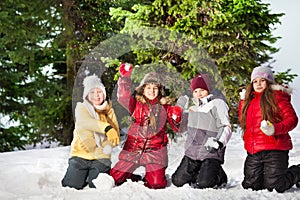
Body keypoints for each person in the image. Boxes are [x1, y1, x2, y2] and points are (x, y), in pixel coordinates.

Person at [110, 63, 182, 189]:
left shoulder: (165, 107)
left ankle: (153, 174)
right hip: (134, 148)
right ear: (142, 89)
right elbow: (122, 96)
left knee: (157, 184)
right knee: (115, 178)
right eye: (148, 88)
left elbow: (177, 127)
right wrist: (125, 78)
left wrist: (177, 117)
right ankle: (131, 176)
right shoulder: (135, 104)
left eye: (155, 88)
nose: (152, 91)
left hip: (154, 151)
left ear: (159, 90)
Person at [238, 66, 300, 193]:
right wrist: (243, 101)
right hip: (254, 150)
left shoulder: (277, 96)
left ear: (269, 82)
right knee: (250, 186)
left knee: (276, 186)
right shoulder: (248, 100)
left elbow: (292, 119)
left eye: (262, 80)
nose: (258, 84)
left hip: (275, 149)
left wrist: (275, 129)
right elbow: (244, 121)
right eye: (255, 81)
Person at [171, 74, 232, 189]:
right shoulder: (193, 108)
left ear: (209, 90)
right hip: (192, 152)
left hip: (210, 151)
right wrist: (177, 118)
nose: (198, 94)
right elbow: (181, 129)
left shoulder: (217, 104)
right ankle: (200, 170)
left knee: (204, 183)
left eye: (202, 90)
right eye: (195, 91)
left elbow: (226, 126)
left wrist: (219, 142)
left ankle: (219, 175)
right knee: (177, 181)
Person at [61, 74, 120, 189]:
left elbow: (115, 137)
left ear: (104, 93)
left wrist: (107, 146)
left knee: (97, 185)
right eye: (92, 92)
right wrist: (107, 128)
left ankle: (101, 174)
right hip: (80, 154)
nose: (96, 96)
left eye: (99, 92)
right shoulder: (81, 108)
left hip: (100, 156)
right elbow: (86, 123)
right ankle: (81, 175)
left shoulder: (109, 111)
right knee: (72, 185)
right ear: (87, 95)